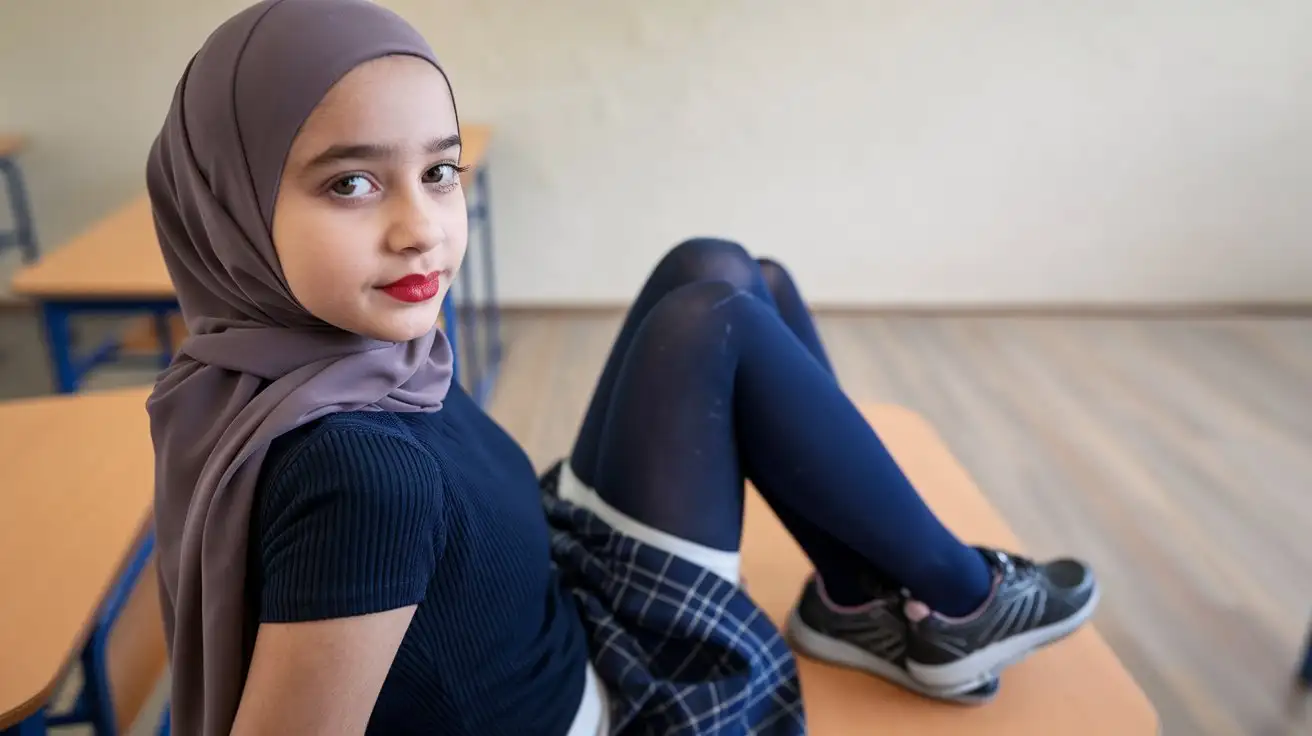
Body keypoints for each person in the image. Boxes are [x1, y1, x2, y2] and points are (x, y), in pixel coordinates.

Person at [144, 1, 1100, 734]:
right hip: (614, 703)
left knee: (719, 271)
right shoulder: (362, 471)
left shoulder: (336, 359)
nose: (419, 227)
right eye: (351, 183)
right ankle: (960, 600)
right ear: (227, 206)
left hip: (561, 593)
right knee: (714, 318)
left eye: (439, 171)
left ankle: (862, 596)